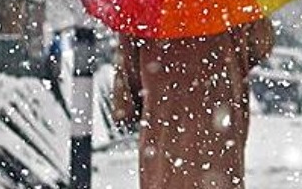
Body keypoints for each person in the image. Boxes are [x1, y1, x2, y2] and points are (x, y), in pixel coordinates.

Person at [113, 18, 275, 189]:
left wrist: (128, 110)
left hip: (163, 140)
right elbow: (261, 45)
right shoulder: (232, 0)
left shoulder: (144, 5)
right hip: (219, 135)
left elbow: (127, 86)